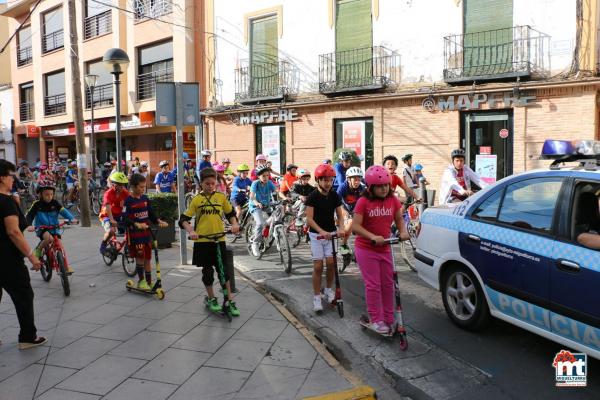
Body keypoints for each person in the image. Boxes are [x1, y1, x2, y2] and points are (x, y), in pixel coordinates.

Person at [351, 165, 409, 334]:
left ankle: (390, 318)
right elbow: (355, 226)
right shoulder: (363, 202)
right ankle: (376, 319)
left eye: (386, 185)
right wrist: (372, 236)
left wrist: (403, 231)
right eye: (380, 186)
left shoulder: (393, 200)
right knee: (374, 285)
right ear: (370, 187)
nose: (384, 189)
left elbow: (399, 219)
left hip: (385, 247)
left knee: (388, 284)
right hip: (366, 248)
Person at [179, 167, 241, 316]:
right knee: (207, 272)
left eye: (213, 183)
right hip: (203, 241)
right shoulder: (197, 199)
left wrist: (234, 224)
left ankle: (229, 300)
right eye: (207, 183)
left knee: (223, 272)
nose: (210, 186)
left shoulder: (221, 197)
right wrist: (191, 231)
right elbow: (183, 220)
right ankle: (211, 298)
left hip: (219, 239)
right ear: (201, 184)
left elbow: (230, 213)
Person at [0, 159, 46, 349]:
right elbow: (13, 232)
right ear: (2, 177)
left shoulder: (10, 200)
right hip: (7, 259)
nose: (14, 180)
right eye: (12, 176)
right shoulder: (5, 201)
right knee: (24, 295)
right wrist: (31, 255)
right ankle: (28, 337)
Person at [306, 163, 345, 313]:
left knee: (331, 264)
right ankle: (316, 297)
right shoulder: (313, 196)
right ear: (318, 180)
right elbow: (309, 219)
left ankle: (327, 290)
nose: (328, 183)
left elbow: (340, 215)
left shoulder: (334, 195)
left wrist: (341, 228)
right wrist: (321, 232)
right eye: (325, 180)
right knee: (318, 266)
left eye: (330, 180)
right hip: (317, 235)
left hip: (331, 234)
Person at [122, 173, 168, 290]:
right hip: (135, 235)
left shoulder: (145, 198)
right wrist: (136, 224)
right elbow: (125, 218)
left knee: (148, 258)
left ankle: (149, 282)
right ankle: (141, 281)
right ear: (133, 187)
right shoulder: (128, 201)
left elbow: (151, 214)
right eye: (141, 187)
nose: (143, 189)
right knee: (140, 257)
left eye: (144, 187)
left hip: (146, 233)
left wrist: (158, 221)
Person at [26, 180, 78, 273]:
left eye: (51, 194)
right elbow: (29, 215)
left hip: (54, 228)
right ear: (40, 195)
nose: (49, 197)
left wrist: (71, 218)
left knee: (60, 247)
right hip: (41, 228)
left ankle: (65, 267)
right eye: (46, 194)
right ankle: (38, 250)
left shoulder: (55, 203)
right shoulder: (37, 204)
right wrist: (29, 225)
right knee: (48, 239)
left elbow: (63, 211)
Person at [248, 164, 277, 257]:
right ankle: (255, 243)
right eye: (263, 176)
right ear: (258, 176)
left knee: (276, 218)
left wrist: (284, 197)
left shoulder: (269, 183)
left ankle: (270, 233)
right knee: (260, 223)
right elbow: (252, 196)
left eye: (267, 175)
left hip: (266, 205)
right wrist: (257, 203)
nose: (265, 177)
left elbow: (276, 191)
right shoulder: (255, 183)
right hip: (255, 206)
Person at [99, 172, 130, 255]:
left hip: (118, 215)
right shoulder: (108, 193)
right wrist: (111, 219)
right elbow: (108, 207)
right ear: (114, 184)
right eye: (120, 185)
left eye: (123, 185)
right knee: (111, 231)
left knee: (131, 228)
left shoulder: (125, 193)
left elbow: (131, 203)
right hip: (106, 215)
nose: (122, 187)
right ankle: (103, 244)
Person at [336, 166, 366, 254]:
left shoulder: (362, 187)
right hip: (343, 208)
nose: (357, 182)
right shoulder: (343, 187)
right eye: (355, 179)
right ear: (348, 179)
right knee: (350, 222)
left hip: (356, 210)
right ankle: (343, 244)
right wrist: (343, 211)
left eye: (359, 179)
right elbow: (336, 202)